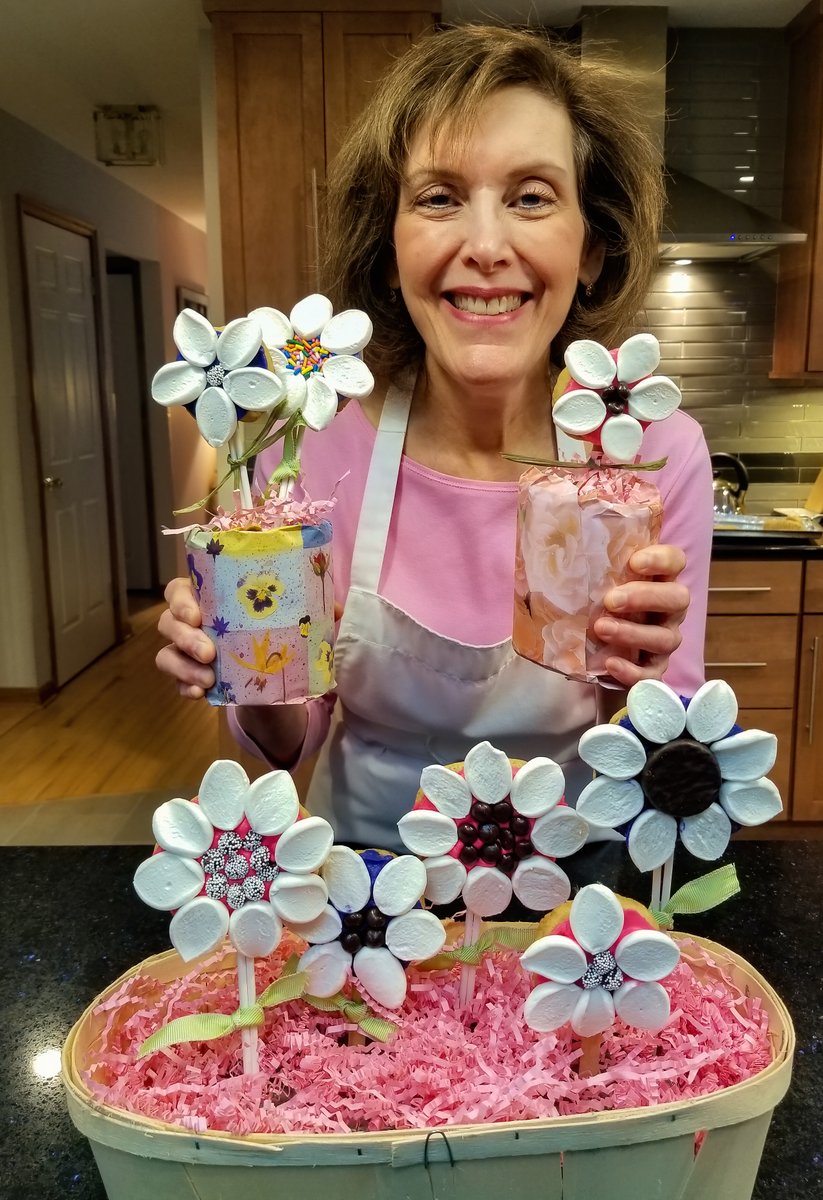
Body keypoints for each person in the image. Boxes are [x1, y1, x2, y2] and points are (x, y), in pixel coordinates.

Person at [157, 26, 713, 852]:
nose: (485, 248)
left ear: (591, 248)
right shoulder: (310, 441)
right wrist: (245, 661)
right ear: (388, 252)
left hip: (574, 900)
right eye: (438, 197)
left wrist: (638, 679)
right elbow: (284, 741)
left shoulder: (650, 454)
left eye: (530, 197)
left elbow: (665, 751)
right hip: (361, 901)